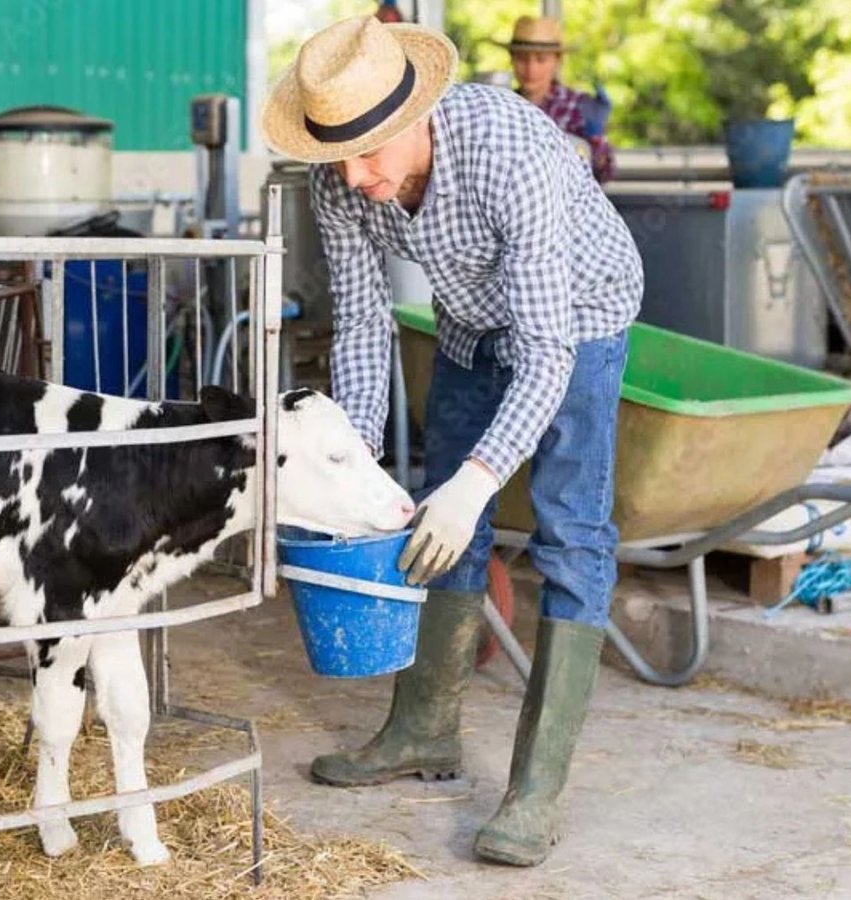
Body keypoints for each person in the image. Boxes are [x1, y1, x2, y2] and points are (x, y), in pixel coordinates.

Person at [260, 16, 643, 866]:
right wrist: (352, 473)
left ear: (415, 116)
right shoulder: (343, 180)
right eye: (338, 155)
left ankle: (535, 789)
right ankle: (422, 729)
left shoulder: (515, 153)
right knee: (436, 511)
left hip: (576, 320)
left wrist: (481, 480)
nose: (354, 177)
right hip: (471, 322)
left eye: (368, 154)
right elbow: (361, 327)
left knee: (569, 528)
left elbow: (545, 351)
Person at [503, 15, 616, 184]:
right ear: (511, 59)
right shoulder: (502, 108)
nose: (530, 68)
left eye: (541, 59)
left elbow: (605, 174)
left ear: (558, 60)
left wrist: (596, 138)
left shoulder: (580, 107)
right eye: (522, 58)